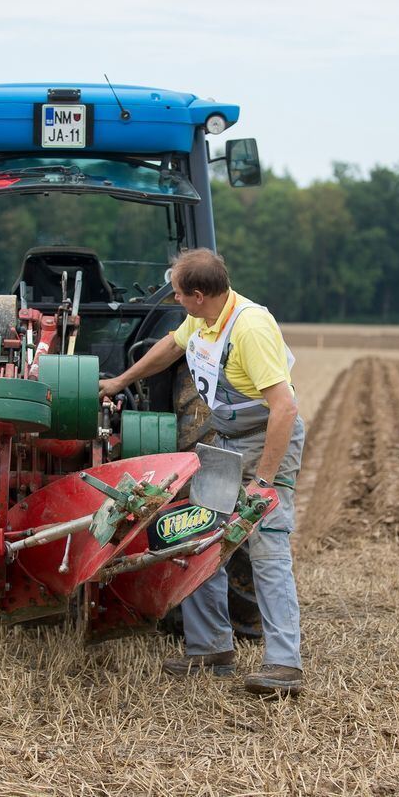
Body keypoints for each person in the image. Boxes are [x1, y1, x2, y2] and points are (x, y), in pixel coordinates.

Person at [98, 248, 306, 696]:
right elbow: (170, 348)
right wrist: (119, 382)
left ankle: (285, 665)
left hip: (267, 439)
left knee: (266, 545)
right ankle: (211, 648)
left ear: (196, 294)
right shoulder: (205, 316)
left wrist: (264, 480)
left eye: (176, 293)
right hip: (228, 440)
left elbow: (285, 409)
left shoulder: (250, 328)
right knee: (197, 532)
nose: (173, 300)